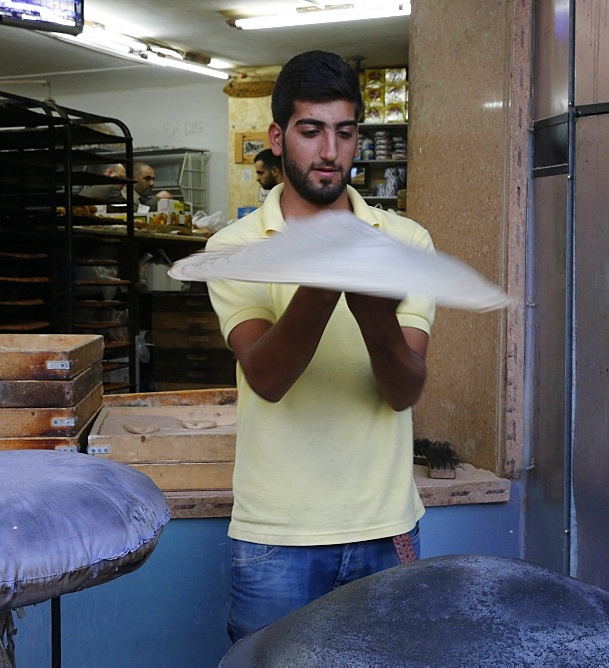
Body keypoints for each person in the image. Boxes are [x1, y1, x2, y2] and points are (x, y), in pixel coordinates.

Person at [205, 50, 436, 642]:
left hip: (386, 528)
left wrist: (370, 306)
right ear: (278, 137)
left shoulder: (406, 240)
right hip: (276, 534)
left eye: (345, 132)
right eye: (311, 131)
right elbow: (268, 377)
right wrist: (329, 274)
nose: (330, 152)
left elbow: (404, 388)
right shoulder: (234, 248)